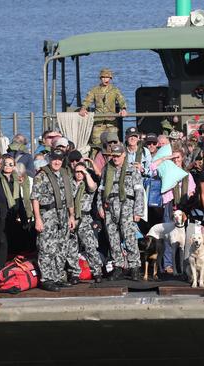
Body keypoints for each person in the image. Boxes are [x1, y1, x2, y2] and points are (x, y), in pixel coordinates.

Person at [30, 149, 77, 292]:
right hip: (48, 214)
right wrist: (38, 219)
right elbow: (35, 198)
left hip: (63, 215)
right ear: (49, 160)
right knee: (46, 248)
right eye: (54, 159)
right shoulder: (41, 176)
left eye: (60, 159)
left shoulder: (65, 174)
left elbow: (69, 198)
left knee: (61, 247)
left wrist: (71, 216)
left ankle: (57, 276)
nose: (57, 162)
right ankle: (47, 278)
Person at [97, 144, 144, 281]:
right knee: (113, 238)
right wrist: (100, 206)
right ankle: (118, 266)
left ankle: (134, 266)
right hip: (110, 206)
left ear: (124, 155)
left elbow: (139, 191)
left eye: (118, 156)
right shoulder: (107, 169)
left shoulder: (132, 169)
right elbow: (101, 189)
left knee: (129, 236)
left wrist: (138, 211)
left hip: (127, 205)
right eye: (113, 156)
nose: (115, 158)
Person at [79, 68, 128, 149]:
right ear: (100, 78)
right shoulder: (94, 90)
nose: (106, 79)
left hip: (111, 122)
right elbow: (88, 100)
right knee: (96, 144)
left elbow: (121, 99)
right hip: (98, 122)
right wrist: (83, 108)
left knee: (113, 144)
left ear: (110, 78)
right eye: (104, 77)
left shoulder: (114, 90)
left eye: (108, 77)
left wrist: (123, 109)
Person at [72, 162, 104, 283]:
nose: (79, 174)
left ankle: (97, 271)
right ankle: (75, 273)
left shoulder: (88, 183)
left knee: (90, 246)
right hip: (72, 218)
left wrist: (86, 173)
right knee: (72, 248)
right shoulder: (70, 184)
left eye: (81, 172)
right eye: (77, 172)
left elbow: (92, 187)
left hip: (84, 218)